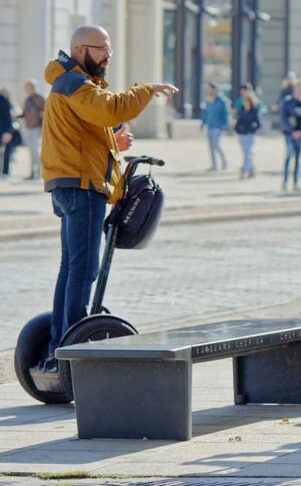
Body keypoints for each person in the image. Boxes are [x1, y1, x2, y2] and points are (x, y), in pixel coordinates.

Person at [39, 25, 178, 370]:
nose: (107, 55)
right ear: (78, 49)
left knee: (70, 268)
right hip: (82, 187)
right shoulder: (75, 83)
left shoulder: (72, 84)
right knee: (83, 270)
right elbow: (111, 110)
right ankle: (72, 346)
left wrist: (114, 144)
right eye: (100, 48)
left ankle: (60, 342)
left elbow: (84, 135)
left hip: (70, 183)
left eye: (109, 49)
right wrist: (145, 91)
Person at [280, 80, 301, 192]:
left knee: (298, 159)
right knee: (289, 157)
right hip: (289, 134)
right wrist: (292, 130)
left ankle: (296, 183)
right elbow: (283, 118)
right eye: (298, 89)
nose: (300, 91)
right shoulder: (287, 101)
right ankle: (284, 182)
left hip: (300, 134)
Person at [200, 82, 230, 172]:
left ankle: (224, 162)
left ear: (215, 89)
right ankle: (214, 165)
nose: (208, 90)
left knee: (215, 146)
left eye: (210, 88)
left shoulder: (222, 101)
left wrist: (226, 126)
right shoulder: (208, 100)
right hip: (210, 125)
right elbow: (206, 113)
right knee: (211, 147)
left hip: (218, 126)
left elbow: (226, 114)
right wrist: (203, 123)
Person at [19, 80, 45, 180]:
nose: (26, 89)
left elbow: (45, 112)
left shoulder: (39, 98)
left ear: (33, 87)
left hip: (37, 127)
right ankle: (32, 172)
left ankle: (38, 171)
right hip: (28, 127)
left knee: (35, 149)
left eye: (28, 87)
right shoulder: (26, 99)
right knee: (31, 151)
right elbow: (25, 113)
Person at [235, 89, 261, 179]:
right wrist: (237, 129)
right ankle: (252, 169)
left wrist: (252, 129)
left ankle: (244, 171)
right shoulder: (241, 110)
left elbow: (258, 123)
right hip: (241, 134)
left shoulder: (254, 111)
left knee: (247, 152)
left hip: (250, 134)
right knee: (247, 152)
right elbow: (238, 121)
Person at [0, 88, 19, 178]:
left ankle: (4, 172)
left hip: (2, 131)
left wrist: (7, 131)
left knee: (4, 153)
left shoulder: (2, 99)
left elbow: (7, 117)